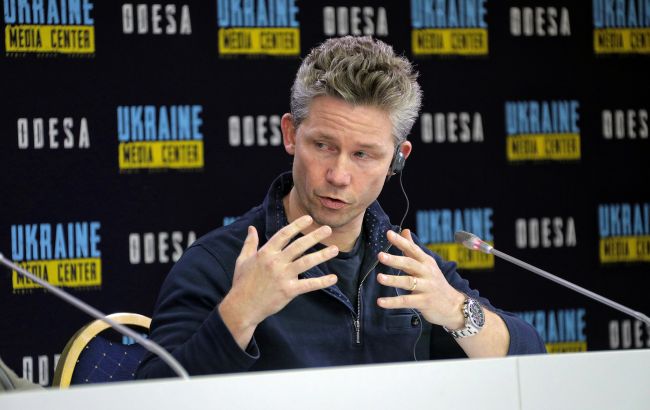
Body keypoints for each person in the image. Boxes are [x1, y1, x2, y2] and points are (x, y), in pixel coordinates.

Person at [137, 36, 545, 378]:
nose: (338, 175)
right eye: (323, 145)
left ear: (397, 160)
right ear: (290, 134)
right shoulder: (219, 263)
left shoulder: (407, 265)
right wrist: (240, 312)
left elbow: (531, 365)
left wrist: (456, 311)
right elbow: (152, 397)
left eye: (363, 154)